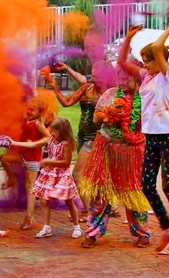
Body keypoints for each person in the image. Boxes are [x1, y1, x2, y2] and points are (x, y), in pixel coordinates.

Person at [118, 23, 169, 260]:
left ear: (159, 60)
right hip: (151, 137)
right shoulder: (146, 77)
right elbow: (122, 63)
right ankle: (168, 229)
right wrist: (128, 38)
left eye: (148, 60)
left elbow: (159, 47)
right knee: (146, 185)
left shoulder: (165, 76)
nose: (144, 64)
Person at [79, 62, 151, 249]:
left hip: (132, 151)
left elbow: (150, 124)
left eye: (126, 79)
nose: (122, 82)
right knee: (99, 193)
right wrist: (109, 114)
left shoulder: (145, 97)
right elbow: (95, 119)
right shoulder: (110, 94)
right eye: (119, 78)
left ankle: (142, 233)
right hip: (107, 149)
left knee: (134, 193)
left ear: (136, 78)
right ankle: (92, 233)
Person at [46, 62, 113, 221]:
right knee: (94, 174)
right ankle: (103, 206)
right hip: (82, 137)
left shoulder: (110, 94)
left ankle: (91, 213)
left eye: (96, 75)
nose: (93, 77)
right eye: (92, 74)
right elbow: (67, 102)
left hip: (96, 138)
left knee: (77, 174)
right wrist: (55, 88)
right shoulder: (87, 88)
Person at [11, 117, 81, 239]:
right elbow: (33, 144)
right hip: (48, 174)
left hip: (61, 175)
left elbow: (66, 162)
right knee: (44, 199)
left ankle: (76, 227)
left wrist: (49, 161)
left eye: (54, 131)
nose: (52, 133)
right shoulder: (50, 140)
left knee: (68, 200)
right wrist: (13, 142)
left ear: (63, 131)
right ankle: (46, 227)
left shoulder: (66, 144)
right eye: (51, 130)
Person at [0, 99, 50, 230]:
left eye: (32, 110)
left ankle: (29, 217)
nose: (28, 111)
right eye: (28, 108)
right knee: (4, 158)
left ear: (39, 112)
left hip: (33, 159)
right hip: (21, 155)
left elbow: (48, 137)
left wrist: (37, 143)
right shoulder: (25, 120)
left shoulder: (38, 124)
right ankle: (12, 179)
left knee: (30, 187)